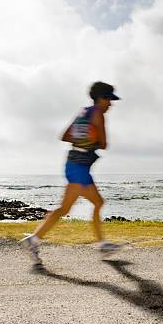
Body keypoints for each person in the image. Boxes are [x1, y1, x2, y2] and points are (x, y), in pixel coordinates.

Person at [20, 81, 123, 265]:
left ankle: (34, 240)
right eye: (109, 99)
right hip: (79, 166)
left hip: (73, 164)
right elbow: (104, 144)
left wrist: (84, 137)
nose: (111, 104)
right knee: (95, 203)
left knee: (66, 209)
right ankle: (101, 244)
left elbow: (65, 136)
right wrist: (91, 139)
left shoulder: (83, 112)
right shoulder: (98, 114)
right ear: (101, 98)